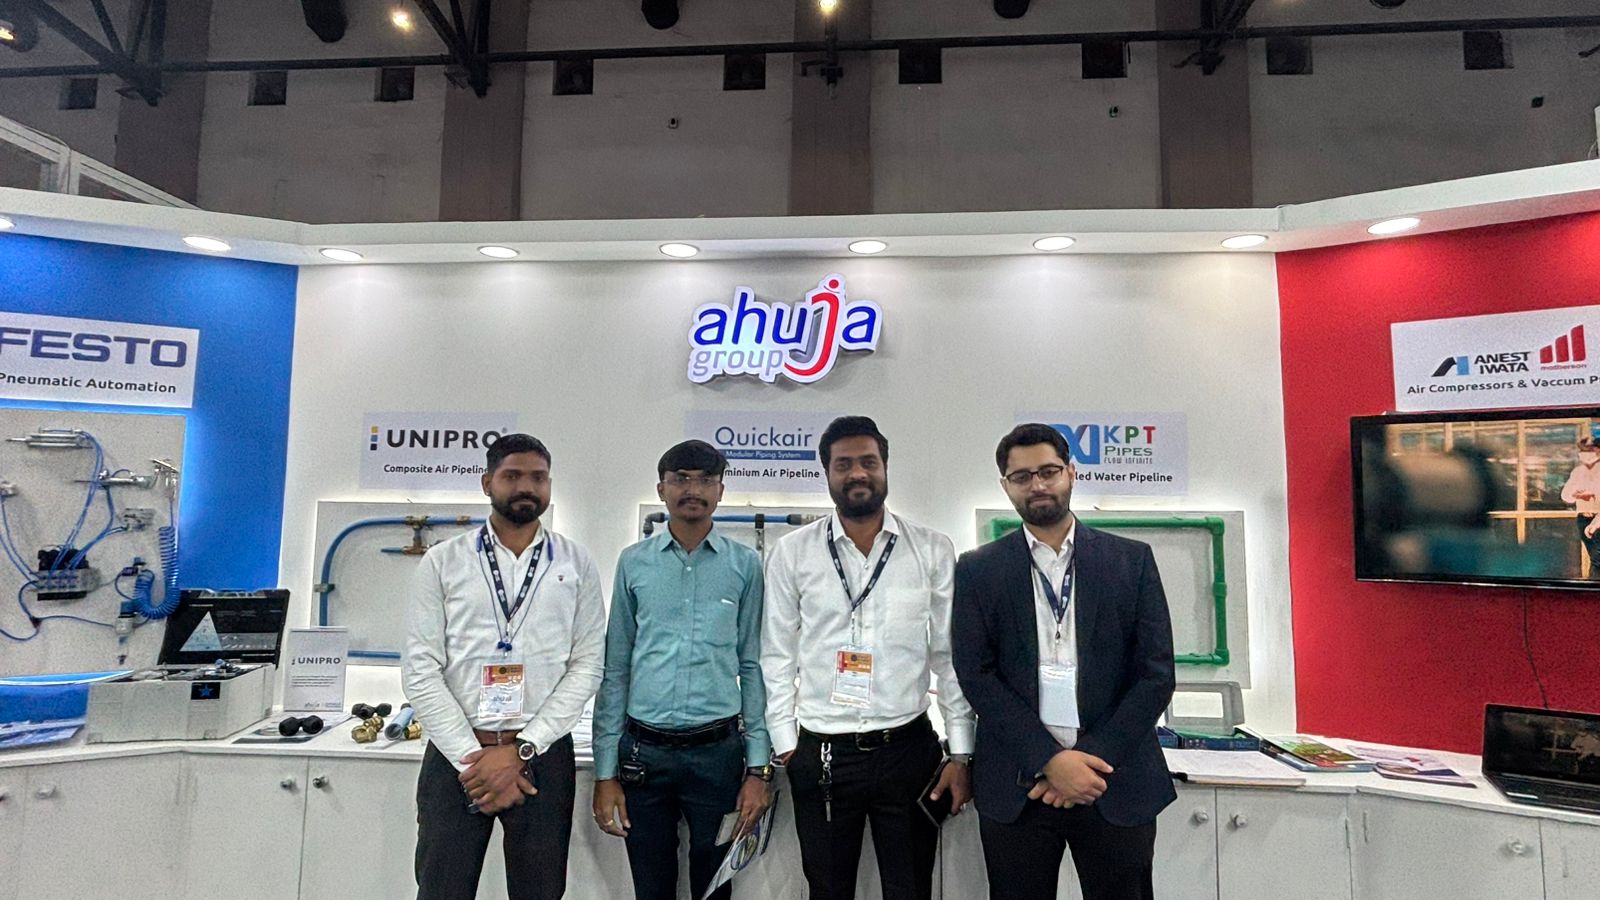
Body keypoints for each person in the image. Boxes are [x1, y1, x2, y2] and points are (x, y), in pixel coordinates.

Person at [952, 423, 1176, 900]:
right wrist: (1049, 761)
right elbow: (976, 674)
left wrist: (1087, 764)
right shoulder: (978, 570)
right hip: (1020, 784)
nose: (1037, 485)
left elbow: (1155, 675)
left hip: (1112, 781)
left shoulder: (1131, 561)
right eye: (1022, 476)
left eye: (1048, 471)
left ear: (1072, 472)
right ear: (1005, 485)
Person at [762, 415, 975, 900]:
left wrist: (961, 752)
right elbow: (775, 652)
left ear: (885, 467)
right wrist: (786, 742)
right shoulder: (792, 553)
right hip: (822, 752)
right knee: (827, 889)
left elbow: (948, 656)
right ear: (826, 472)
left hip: (908, 749)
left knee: (910, 889)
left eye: (868, 462)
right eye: (843, 464)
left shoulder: (931, 549)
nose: (857, 473)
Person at [402, 433, 606, 900]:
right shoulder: (443, 562)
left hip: (542, 758)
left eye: (538, 477)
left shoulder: (575, 562)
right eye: (512, 476)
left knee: (540, 891)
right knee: (441, 889)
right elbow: (420, 669)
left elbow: (587, 664)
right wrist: (473, 758)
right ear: (486, 483)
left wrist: (522, 750)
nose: (526, 487)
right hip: (457, 758)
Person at [592, 440, 773, 900]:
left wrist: (758, 769)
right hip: (643, 756)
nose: (693, 490)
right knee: (651, 887)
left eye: (706, 480)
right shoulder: (633, 563)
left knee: (714, 890)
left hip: (718, 757)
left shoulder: (745, 565)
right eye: (681, 480)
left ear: (721, 491)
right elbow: (616, 668)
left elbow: (753, 665)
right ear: (662, 489)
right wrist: (606, 773)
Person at [1560, 437, 1600, 576]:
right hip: (1583, 518)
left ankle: (1593, 584)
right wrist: (1577, 495)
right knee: (1593, 556)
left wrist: (1592, 493)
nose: (1587, 454)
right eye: (1583, 451)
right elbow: (1566, 495)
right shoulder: (1578, 472)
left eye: (1591, 450)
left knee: (1598, 558)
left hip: (1598, 517)